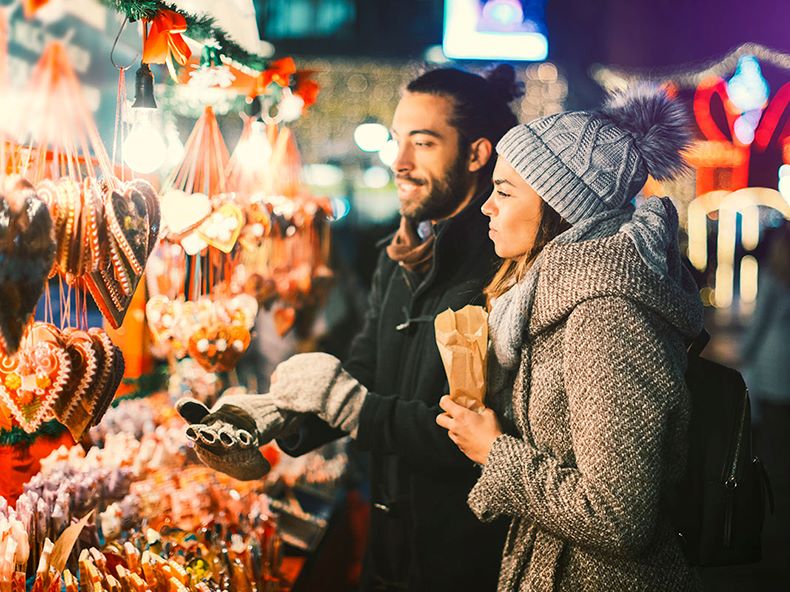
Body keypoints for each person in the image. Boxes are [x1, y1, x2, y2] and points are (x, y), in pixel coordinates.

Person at [178, 66, 523, 591]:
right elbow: (365, 367)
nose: (399, 162)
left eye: (423, 143)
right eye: (397, 140)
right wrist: (280, 415)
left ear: (477, 154)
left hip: (460, 560)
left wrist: (355, 409)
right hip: (385, 546)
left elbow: (482, 436)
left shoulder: (504, 269)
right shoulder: (398, 255)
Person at [435, 86, 705, 590]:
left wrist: (494, 451)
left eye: (506, 192)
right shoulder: (545, 299)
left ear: (560, 207)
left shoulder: (607, 316)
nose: (487, 208)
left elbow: (621, 517)